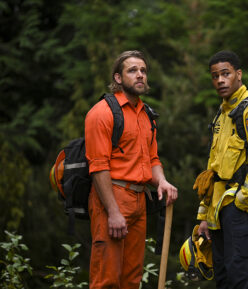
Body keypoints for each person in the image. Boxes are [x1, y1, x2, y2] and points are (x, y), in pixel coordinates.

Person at [85, 50, 178, 289]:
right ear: (118, 78)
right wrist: (113, 212)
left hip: (139, 201)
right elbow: (98, 167)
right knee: (106, 280)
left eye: (143, 71)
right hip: (112, 199)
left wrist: (163, 182)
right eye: (132, 70)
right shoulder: (101, 113)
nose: (140, 75)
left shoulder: (147, 115)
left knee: (131, 280)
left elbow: (153, 159)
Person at [193, 50, 248, 289]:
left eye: (225, 74)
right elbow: (211, 172)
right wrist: (203, 216)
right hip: (219, 210)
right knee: (223, 276)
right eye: (215, 76)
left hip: (242, 206)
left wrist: (246, 200)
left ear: (238, 75)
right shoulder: (222, 115)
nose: (220, 80)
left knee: (240, 275)